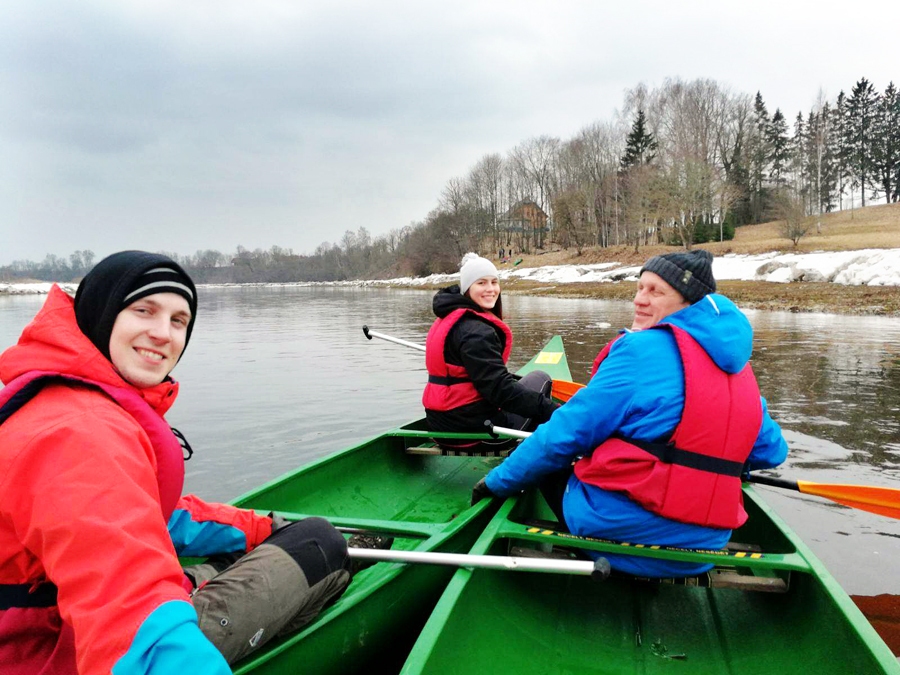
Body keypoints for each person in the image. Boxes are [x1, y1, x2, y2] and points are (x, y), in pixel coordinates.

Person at [0, 251, 350, 674]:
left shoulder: (59, 403)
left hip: (46, 625)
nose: (163, 333)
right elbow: (126, 612)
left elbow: (137, 514)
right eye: (144, 310)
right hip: (53, 654)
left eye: (178, 320)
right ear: (101, 314)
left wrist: (258, 528)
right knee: (319, 543)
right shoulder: (80, 432)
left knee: (246, 551)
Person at [472, 249, 788, 577]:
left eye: (656, 291)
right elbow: (771, 451)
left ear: (688, 302)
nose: (640, 299)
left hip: (619, 534)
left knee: (551, 460)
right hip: (705, 547)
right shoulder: (738, 367)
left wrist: (495, 483)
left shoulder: (638, 350)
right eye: (640, 288)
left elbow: (563, 435)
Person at [423, 253, 558, 453]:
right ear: (467, 288)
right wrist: (557, 411)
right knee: (541, 378)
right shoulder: (476, 332)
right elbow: (502, 392)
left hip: (439, 426)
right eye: (481, 283)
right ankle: (537, 455)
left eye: (494, 282)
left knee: (526, 383)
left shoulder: (448, 318)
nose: (490, 289)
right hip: (477, 434)